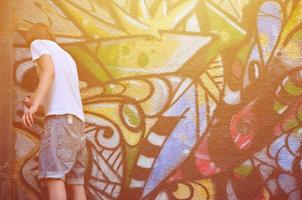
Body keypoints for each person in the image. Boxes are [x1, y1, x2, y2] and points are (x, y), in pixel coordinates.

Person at [22, 23, 87, 200]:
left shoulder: (38, 44)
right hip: (78, 125)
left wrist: (33, 107)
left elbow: (49, 73)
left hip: (60, 122)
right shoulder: (66, 56)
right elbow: (58, 88)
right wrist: (34, 99)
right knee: (76, 182)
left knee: (53, 177)